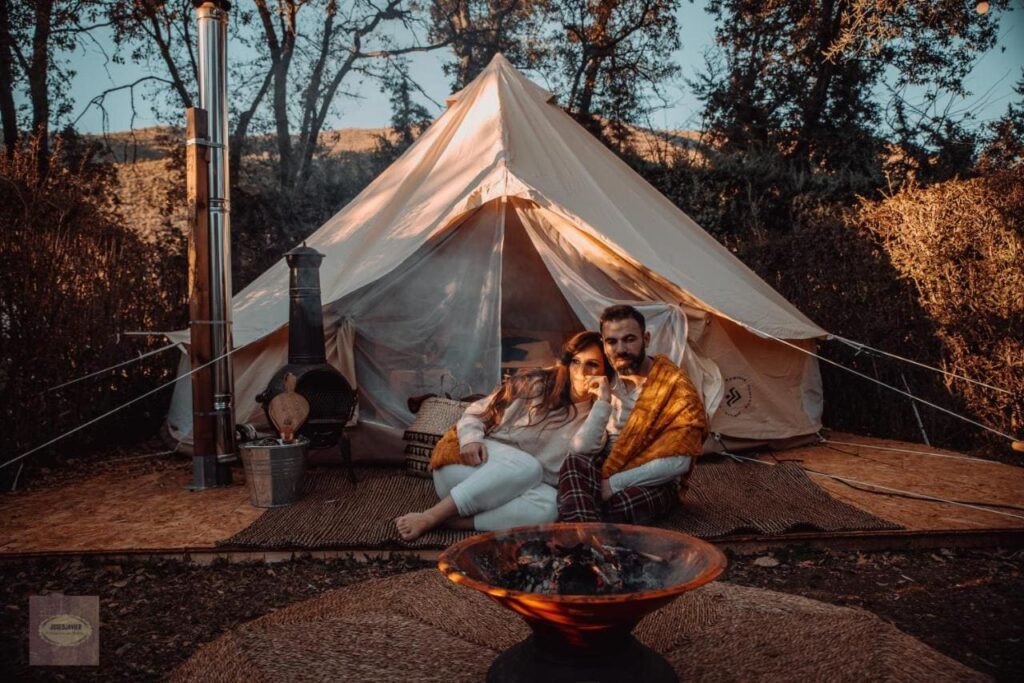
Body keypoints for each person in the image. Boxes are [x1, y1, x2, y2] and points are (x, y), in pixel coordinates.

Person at [395, 331, 613, 541]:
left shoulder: (599, 418)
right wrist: (471, 439)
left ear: (606, 373)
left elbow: (580, 449)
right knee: (528, 466)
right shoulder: (537, 384)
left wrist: (603, 403)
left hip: (510, 491)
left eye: (592, 365)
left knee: (550, 508)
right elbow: (476, 412)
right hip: (468, 469)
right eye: (576, 362)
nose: (582, 372)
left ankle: (457, 523)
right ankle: (431, 516)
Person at [557, 305, 708, 524]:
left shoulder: (675, 388)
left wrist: (613, 484)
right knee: (573, 464)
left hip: (651, 479)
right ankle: (586, 542)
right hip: (607, 465)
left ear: (645, 339)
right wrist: (603, 401)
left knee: (619, 507)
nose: (621, 349)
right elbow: (582, 449)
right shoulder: (604, 377)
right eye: (612, 342)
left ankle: (580, 532)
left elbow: (679, 463)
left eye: (629, 339)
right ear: (604, 344)